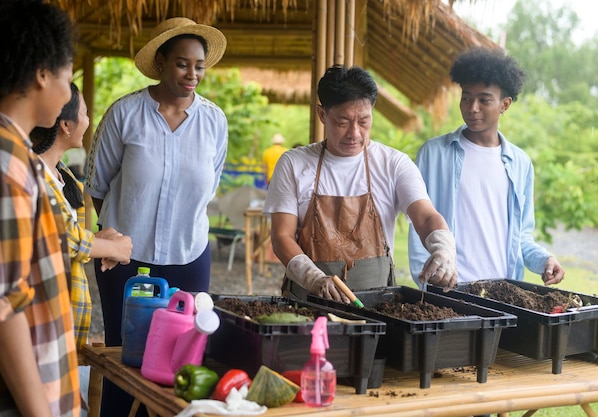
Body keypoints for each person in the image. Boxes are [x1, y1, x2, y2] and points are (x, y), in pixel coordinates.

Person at [84, 17, 228, 416]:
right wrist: (112, 239)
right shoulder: (125, 113)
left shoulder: (214, 121)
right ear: (161, 62)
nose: (193, 74)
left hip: (190, 255)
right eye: (183, 63)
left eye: (199, 65)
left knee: (180, 361)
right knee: (124, 356)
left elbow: (208, 185)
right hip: (126, 259)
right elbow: (97, 187)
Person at [263, 64, 458, 302]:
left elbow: (426, 217)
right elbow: (281, 236)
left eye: (364, 121)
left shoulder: (393, 164)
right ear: (322, 115)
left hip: (376, 307)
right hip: (308, 301)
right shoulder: (293, 164)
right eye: (343, 122)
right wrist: (313, 278)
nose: (354, 133)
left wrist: (443, 249)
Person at [0, 0, 81, 416]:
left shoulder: (14, 152)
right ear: (42, 74)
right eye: (67, 76)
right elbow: (1, 309)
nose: (69, 91)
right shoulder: (2, 158)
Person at [408, 47, 565, 287]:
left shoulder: (520, 164)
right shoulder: (433, 154)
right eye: (467, 97)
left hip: (503, 295)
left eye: (484, 100)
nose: (473, 108)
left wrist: (545, 259)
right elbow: (418, 225)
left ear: (505, 104)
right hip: (451, 290)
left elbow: (520, 237)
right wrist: (427, 284)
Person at [31, 82, 133, 349]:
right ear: (66, 124)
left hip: (66, 316)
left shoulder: (62, 176)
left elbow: (70, 236)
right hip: (42, 319)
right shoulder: (32, 174)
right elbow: (62, 238)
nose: (88, 121)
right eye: (85, 113)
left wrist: (100, 240)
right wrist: (112, 247)